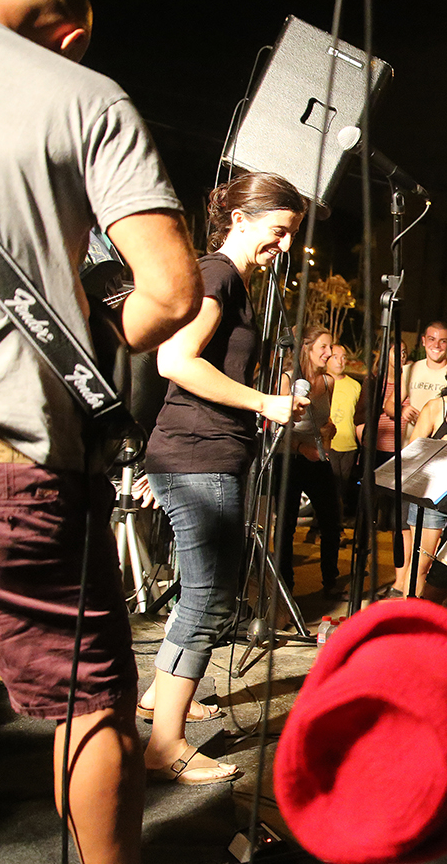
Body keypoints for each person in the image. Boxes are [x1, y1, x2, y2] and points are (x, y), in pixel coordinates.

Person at [0, 0, 244, 864]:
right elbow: (170, 290)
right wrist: (85, 333)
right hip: (6, 458)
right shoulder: (75, 94)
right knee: (91, 705)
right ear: (72, 33)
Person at [138, 172, 307, 786]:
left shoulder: (229, 279)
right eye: (279, 231)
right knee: (209, 600)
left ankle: (160, 699)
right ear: (240, 218)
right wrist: (264, 403)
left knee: (197, 592)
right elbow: (174, 361)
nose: (285, 247)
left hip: (200, 452)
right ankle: (166, 747)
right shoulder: (218, 275)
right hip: (197, 455)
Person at [391, 352, 447, 599]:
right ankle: (408, 618)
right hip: (433, 498)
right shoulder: (436, 407)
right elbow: (412, 451)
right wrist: (439, 443)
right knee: (422, 564)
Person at [275, 325, 342, 597]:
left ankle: (330, 581)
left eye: (330, 347)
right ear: (307, 348)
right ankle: (284, 584)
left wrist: (329, 431)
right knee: (287, 522)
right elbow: (275, 428)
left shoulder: (328, 382)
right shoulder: (287, 380)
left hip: (317, 457)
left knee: (331, 520)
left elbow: (324, 423)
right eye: (323, 347)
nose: (329, 353)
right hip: (289, 456)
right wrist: (301, 448)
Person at [326, 342, 363, 524]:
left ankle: (336, 527)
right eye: (335, 357)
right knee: (327, 490)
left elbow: (359, 416)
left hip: (349, 445)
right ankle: (323, 526)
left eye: (343, 357)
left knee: (341, 489)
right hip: (328, 445)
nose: (340, 361)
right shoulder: (320, 381)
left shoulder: (355, 385)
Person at [401, 320, 447, 426]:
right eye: (431, 339)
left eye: (443, 341)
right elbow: (390, 404)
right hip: (412, 440)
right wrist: (403, 409)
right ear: (423, 341)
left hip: (440, 440)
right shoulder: (410, 370)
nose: (436, 345)